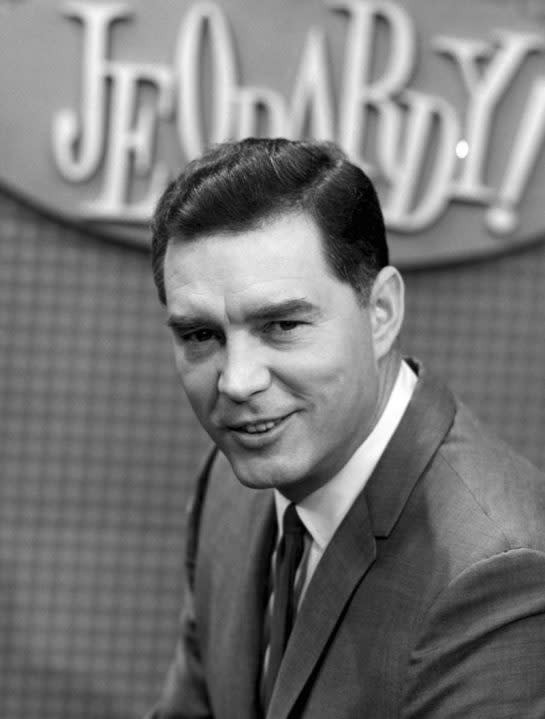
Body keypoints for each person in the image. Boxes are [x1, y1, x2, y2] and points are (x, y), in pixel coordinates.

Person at [145, 138, 545, 719]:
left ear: (381, 313)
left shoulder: (496, 572)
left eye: (282, 324)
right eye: (201, 336)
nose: (236, 381)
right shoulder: (230, 483)